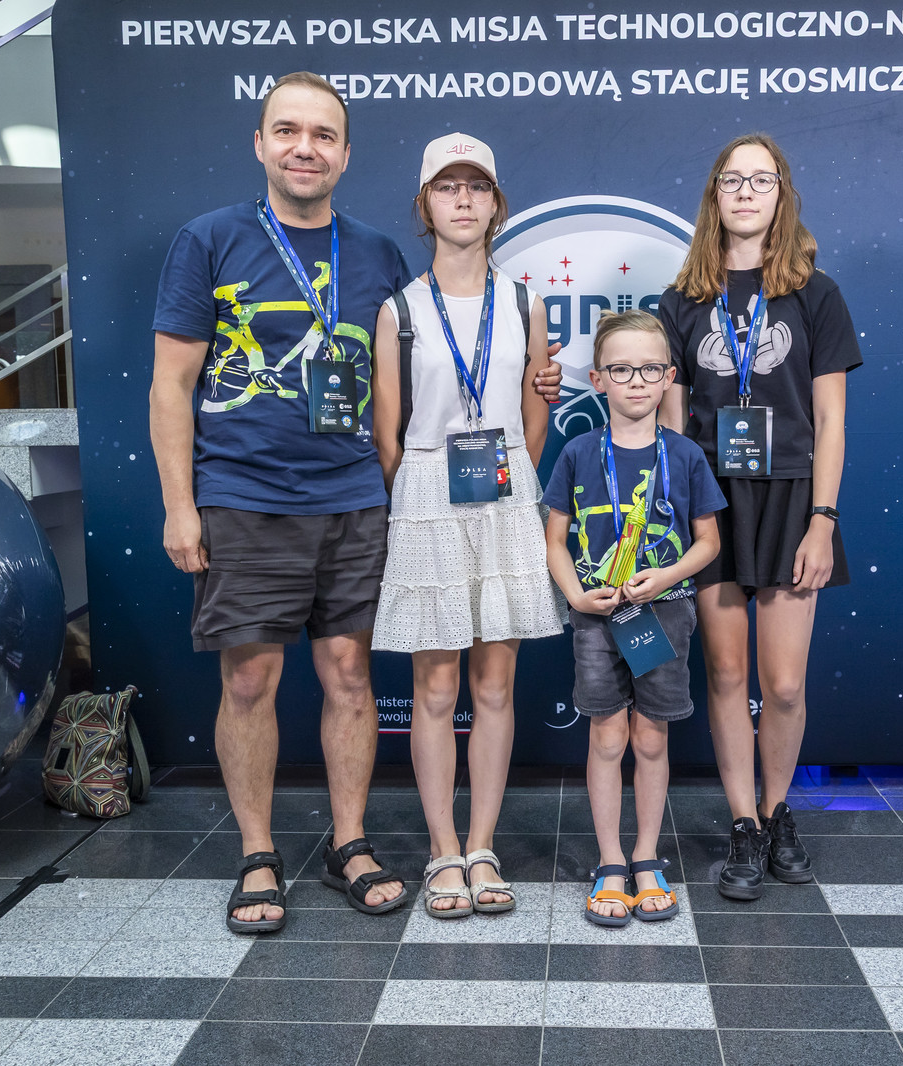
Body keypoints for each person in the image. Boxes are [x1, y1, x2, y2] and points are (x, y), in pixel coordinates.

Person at [150, 71, 409, 933]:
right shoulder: (209, 239)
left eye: (323, 135)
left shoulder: (378, 253)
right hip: (245, 497)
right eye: (288, 131)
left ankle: (349, 842)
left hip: (354, 500)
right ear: (260, 143)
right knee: (251, 679)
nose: (306, 148)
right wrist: (180, 506)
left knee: (350, 676)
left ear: (345, 154)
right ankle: (258, 852)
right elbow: (171, 384)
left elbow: (398, 384)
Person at [660, 133, 863, 901]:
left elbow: (831, 421)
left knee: (781, 683)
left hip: (791, 500)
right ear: (714, 195)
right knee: (726, 672)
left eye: (762, 180)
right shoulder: (682, 301)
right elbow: (673, 425)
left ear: (783, 195)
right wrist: (678, 517)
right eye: (732, 180)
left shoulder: (816, 294)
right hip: (711, 501)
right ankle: (742, 822)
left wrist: (823, 519)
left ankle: (779, 813)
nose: (746, 192)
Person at [369, 132, 562, 919]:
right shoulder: (399, 310)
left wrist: (505, 475)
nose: (462, 200)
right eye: (447, 187)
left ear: (496, 203)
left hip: (505, 489)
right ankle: (442, 851)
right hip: (427, 492)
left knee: (495, 683)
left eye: (476, 186)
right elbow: (388, 436)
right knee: (435, 683)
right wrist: (426, 492)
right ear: (425, 205)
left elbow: (535, 417)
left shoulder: (524, 303)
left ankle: (483, 847)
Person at [544, 310, 726, 926]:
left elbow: (708, 542)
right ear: (597, 379)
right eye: (621, 370)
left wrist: (666, 576)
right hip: (598, 617)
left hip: (664, 614)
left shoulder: (686, 455)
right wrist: (575, 595)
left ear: (669, 376)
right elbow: (554, 541)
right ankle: (610, 861)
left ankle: (647, 856)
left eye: (650, 369)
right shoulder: (577, 453)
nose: (637, 381)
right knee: (606, 736)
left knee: (651, 737)